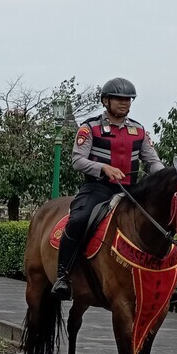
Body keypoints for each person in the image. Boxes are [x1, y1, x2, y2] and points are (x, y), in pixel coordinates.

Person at [52, 77, 165, 299]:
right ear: (106, 101)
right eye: (119, 99)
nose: (124, 103)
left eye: (128, 99)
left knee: (162, 221)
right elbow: (78, 160)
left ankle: (165, 278)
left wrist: (165, 176)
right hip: (98, 188)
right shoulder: (90, 128)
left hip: (131, 192)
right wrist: (103, 168)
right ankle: (63, 276)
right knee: (78, 220)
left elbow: (152, 161)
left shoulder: (139, 131)